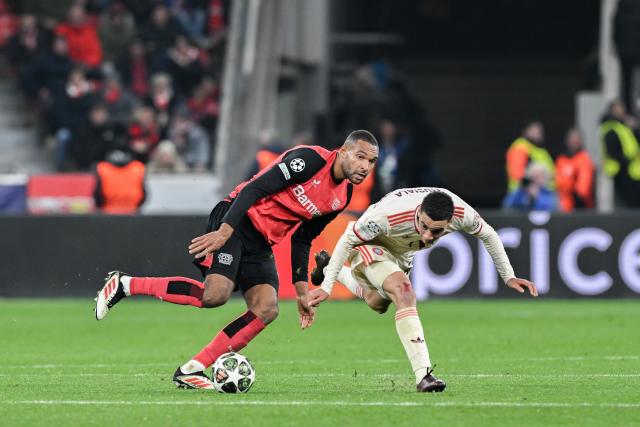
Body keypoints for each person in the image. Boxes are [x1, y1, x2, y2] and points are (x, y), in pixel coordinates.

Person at [94, 130, 379, 389]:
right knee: (215, 295)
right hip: (237, 219)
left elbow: (302, 238)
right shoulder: (309, 160)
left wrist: (303, 291)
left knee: (267, 309)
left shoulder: (341, 198)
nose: (365, 167)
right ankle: (125, 285)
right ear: (343, 151)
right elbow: (253, 189)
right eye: (360, 157)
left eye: (372, 162)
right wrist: (224, 231)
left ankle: (191, 369)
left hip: (263, 240)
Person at [308, 188, 538, 392]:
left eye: (436, 231)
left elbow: (488, 234)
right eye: (424, 225)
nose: (428, 236)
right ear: (418, 212)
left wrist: (508, 276)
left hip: (403, 253)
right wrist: (326, 287)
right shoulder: (387, 215)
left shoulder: (462, 213)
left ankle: (330, 267)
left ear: (449, 222)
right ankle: (423, 376)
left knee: (377, 303)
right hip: (372, 243)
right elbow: (347, 239)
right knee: (405, 292)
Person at [599, 100, 640, 207]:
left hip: (632, 171)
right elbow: (613, 151)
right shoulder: (611, 128)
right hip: (622, 170)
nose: (623, 111)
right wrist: (629, 159)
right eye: (619, 108)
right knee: (628, 203)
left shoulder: (623, 126)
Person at [505, 121, 555, 193]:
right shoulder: (521, 146)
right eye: (535, 129)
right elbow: (516, 172)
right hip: (523, 195)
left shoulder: (541, 151)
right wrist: (529, 186)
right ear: (526, 131)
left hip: (545, 195)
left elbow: (552, 174)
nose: (539, 132)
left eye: (540, 130)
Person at [94, 150, 146, 214]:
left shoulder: (102, 168)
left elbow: (97, 195)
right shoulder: (138, 168)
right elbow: (144, 195)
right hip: (132, 212)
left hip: (108, 213)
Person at [555, 128, 595, 212]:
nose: (574, 142)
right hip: (560, 205)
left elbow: (584, 186)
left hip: (578, 206)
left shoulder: (584, 159)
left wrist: (576, 201)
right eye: (572, 139)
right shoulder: (561, 159)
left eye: (577, 139)